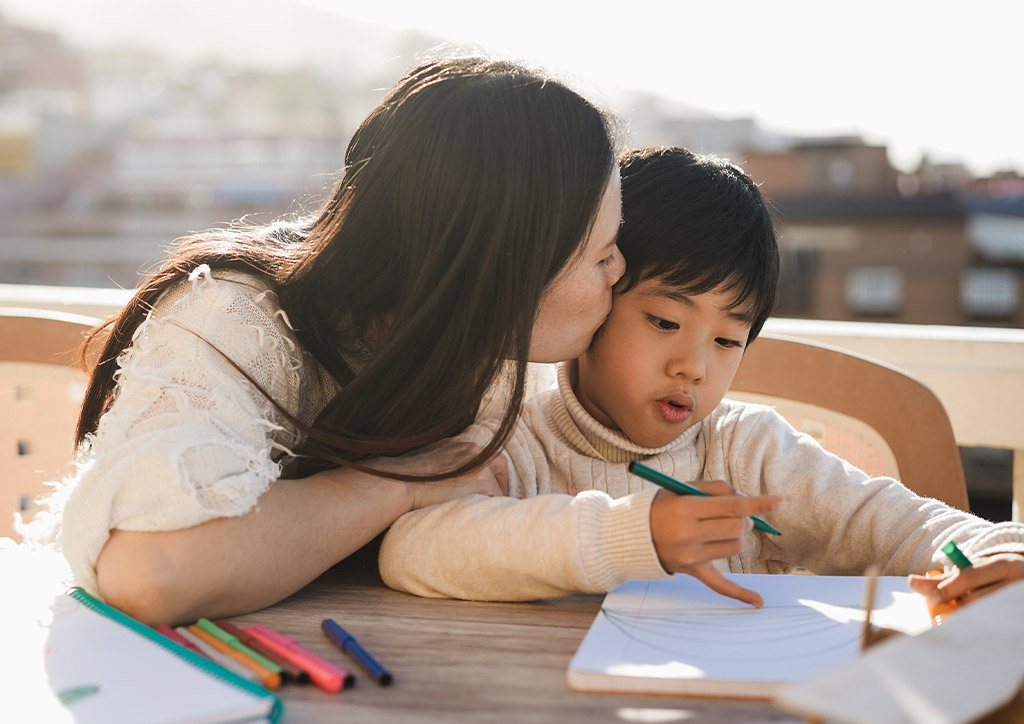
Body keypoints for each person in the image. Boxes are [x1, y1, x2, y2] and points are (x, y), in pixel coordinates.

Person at [19, 55, 630, 626]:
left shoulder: (487, 358)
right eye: (602, 252)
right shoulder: (237, 318)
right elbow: (154, 570)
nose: (620, 270)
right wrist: (399, 484)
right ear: (509, 266)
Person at [378, 147, 1024, 608]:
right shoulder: (513, 434)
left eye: (726, 339)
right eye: (663, 321)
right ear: (597, 291)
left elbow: (898, 523)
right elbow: (412, 549)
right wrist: (635, 533)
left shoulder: (752, 451)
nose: (694, 365)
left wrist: (991, 548)